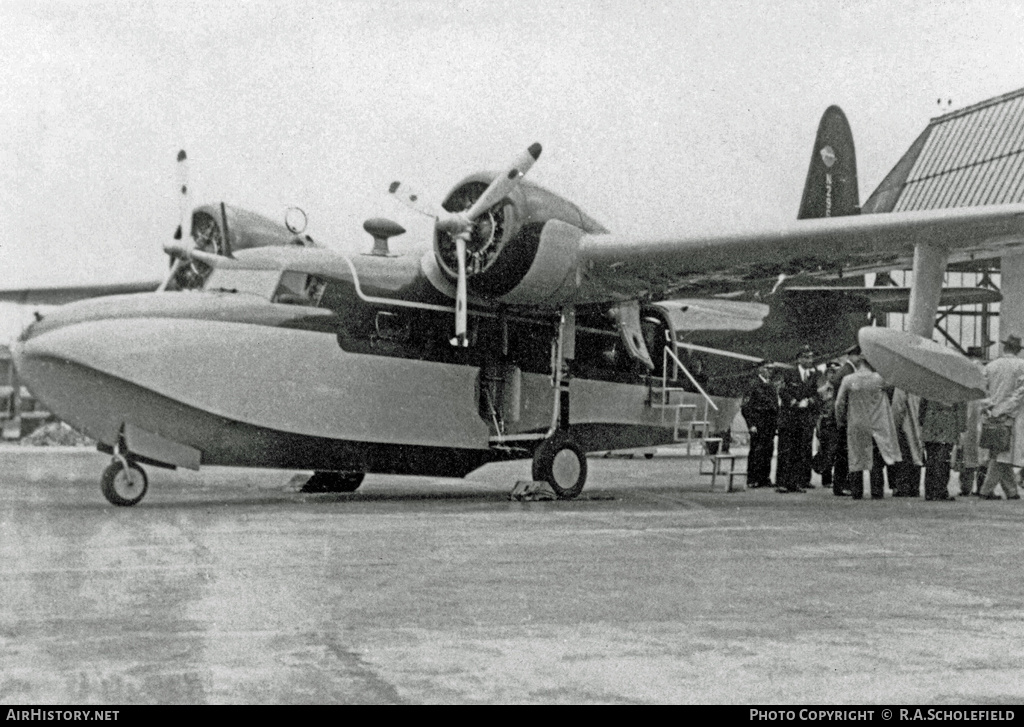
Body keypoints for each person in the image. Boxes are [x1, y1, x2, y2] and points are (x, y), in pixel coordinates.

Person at [834, 356, 901, 499]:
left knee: (856, 456)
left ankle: (856, 491)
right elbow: (894, 382)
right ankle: (877, 491)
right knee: (876, 459)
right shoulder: (879, 379)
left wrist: (841, 421)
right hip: (877, 424)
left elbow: (839, 403)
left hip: (856, 423)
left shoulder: (848, 380)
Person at [978, 334, 1024, 501]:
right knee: (1002, 455)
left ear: (1004, 347)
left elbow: (982, 390)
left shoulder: (990, 366)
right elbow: (1020, 393)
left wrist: (990, 409)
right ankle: (986, 490)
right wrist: (1006, 410)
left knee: (998, 451)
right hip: (1012, 416)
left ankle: (1011, 491)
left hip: (992, 415)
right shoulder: (1021, 366)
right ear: (1018, 350)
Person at [776, 346, 821, 493]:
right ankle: (782, 482)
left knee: (799, 451)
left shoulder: (813, 376)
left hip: (803, 419)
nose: (810, 360)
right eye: (807, 357)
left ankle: (795, 482)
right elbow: (782, 391)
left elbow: (817, 394)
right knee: (785, 451)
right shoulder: (789, 373)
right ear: (799, 359)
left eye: (811, 357)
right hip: (789, 418)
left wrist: (809, 401)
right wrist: (795, 402)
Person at [918, 397, 966, 501]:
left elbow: (922, 405)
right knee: (943, 459)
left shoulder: (929, 384)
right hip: (947, 422)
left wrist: (922, 421)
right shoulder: (954, 386)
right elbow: (961, 406)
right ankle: (940, 490)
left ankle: (930, 491)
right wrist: (962, 428)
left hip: (930, 422)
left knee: (931, 458)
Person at [742, 364, 779, 488]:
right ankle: (752, 478)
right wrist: (751, 424)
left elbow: (775, 406)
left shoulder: (771, 385)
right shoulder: (753, 384)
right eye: (767, 368)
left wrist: (776, 423)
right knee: (756, 451)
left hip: (769, 423)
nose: (770, 371)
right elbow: (746, 407)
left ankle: (764, 477)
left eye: (771, 369)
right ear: (760, 369)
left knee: (768, 451)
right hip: (758, 422)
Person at [958, 346, 989, 496]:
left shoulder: (963, 370)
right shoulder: (985, 371)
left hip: (967, 414)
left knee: (966, 452)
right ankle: (981, 487)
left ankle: (965, 488)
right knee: (982, 453)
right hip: (982, 414)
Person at [888, 387, 923, 497]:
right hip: (920, 425)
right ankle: (914, 487)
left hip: (905, 424)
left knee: (904, 456)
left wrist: (894, 426)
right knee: (917, 454)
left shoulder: (902, 384)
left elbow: (898, 407)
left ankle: (903, 487)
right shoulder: (923, 381)